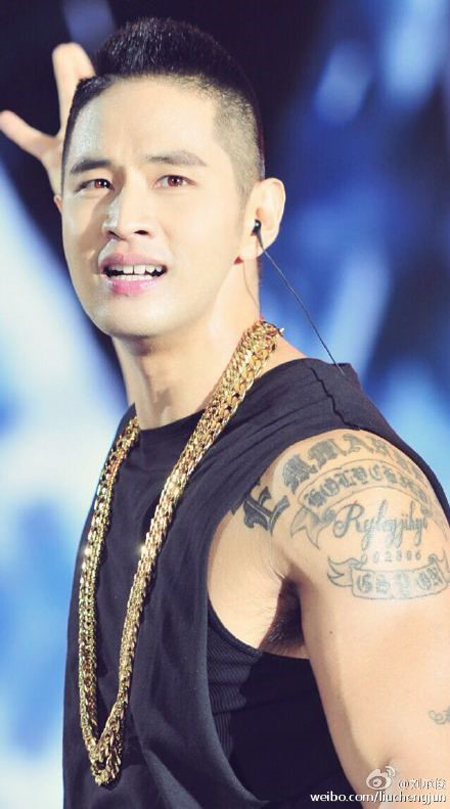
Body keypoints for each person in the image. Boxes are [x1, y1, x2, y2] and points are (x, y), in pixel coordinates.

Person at [1, 17, 450, 809]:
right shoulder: (156, 427)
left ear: (258, 218)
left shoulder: (346, 491)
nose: (124, 216)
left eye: (173, 179)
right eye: (97, 183)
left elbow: (426, 785)